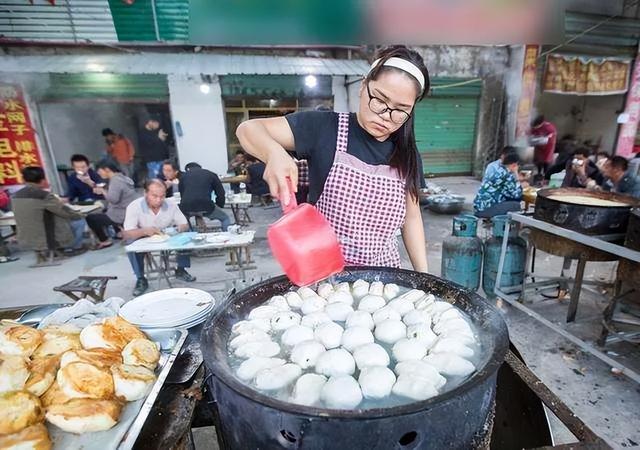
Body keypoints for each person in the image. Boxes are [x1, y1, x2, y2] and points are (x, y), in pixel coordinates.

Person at [236, 45, 430, 271]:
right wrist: (274, 153)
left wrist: (423, 277)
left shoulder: (407, 153)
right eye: (379, 99)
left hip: (384, 275)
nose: (386, 116)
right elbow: (248, 129)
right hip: (324, 276)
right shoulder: (325, 128)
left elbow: (412, 218)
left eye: (400, 110)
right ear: (363, 85)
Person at [123, 180, 196, 296]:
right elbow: (128, 233)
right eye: (154, 196)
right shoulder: (134, 206)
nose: (158, 200)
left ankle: (181, 269)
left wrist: (179, 229)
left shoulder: (170, 204)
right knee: (130, 244)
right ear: (145, 193)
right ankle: (141, 278)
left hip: (165, 236)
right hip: (142, 236)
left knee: (186, 235)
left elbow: (184, 224)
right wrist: (144, 231)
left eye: (162, 196)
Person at [12, 166, 87, 256]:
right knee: (79, 220)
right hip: (47, 237)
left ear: (24, 179)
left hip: (26, 237)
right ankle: (74, 247)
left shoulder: (15, 196)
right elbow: (63, 211)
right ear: (43, 180)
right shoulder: (43, 195)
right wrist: (81, 214)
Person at [86, 159, 140, 249]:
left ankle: (104, 240)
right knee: (104, 210)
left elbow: (113, 199)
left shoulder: (115, 181)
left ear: (107, 169)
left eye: (100, 171)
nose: (99, 174)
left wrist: (103, 191)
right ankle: (120, 233)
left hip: (121, 214)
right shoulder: (123, 177)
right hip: (128, 210)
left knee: (90, 218)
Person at [179, 162, 230, 231]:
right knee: (225, 218)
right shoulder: (211, 174)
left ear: (187, 169)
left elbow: (182, 194)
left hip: (186, 206)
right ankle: (227, 236)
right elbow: (220, 193)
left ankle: (189, 235)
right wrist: (219, 205)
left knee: (183, 221)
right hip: (206, 205)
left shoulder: (183, 176)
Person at [473, 153, 523, 218]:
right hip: (485, 210)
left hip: (478, 206)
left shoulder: (494, 166)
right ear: (514, 165)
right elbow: (516, 195)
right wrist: (516, 176)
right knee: (516, 205)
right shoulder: (506, 175)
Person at [138, 114, 170, 180]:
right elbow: (148, 143)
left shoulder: (155, 132)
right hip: (152, 160)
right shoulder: (142, 133)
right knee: (155, 179)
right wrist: (158, 138)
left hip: (161, 159)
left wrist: (162, 140)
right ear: (150, 122)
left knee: (163, 178)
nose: (157, 126)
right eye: (156, 124)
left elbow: (160, 143)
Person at [530, 115, 557, 181]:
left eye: (536, 126)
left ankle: (545, 177)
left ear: (541, 123)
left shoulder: (549, 128)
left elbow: (549, 139)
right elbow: (530, 134)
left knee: (546, 162)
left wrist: (540, 139)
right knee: (538, 161)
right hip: (538, 146)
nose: (535, 127)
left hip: (548, 147)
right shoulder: (534, 127)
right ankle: (538, 174)